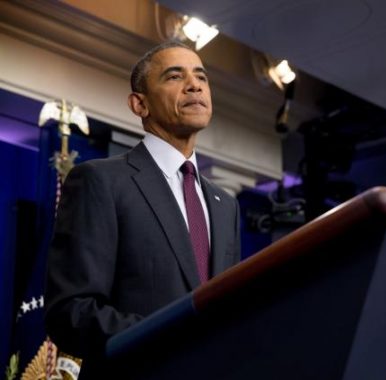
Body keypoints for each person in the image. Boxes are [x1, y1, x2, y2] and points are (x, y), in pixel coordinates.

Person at [44, 41, 241, 378]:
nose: (194, 85)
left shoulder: (227, 205)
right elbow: (71, 312)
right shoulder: (100, 181)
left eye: (201, 77)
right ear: (140, 104)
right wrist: (172, 334)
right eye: (174, 76)